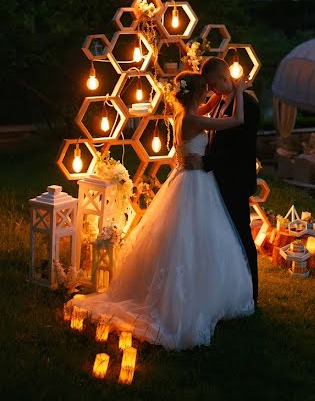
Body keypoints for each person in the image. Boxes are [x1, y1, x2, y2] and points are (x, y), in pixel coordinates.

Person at [70, 72, 255, 350]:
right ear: (194, 94)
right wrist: (238, 90)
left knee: (186, 236)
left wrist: (218, 90)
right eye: (204, 90)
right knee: (192, 238)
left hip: (187, 178)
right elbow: (236, 120)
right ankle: (188, 300)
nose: (208, 93)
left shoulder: (183, 115)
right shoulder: (193, 119)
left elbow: (205, 107)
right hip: (195, 182)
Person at [202, 57, 262, 305]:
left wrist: (208, 163)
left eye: (213, 83)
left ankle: (251, 291)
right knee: (228, 235)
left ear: (224, 78)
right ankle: (232, 287)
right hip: (221, 179)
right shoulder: (220, 102)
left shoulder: (248, 103)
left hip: (235, 180)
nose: (210, 90)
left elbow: (242, 148)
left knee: (242, 234)